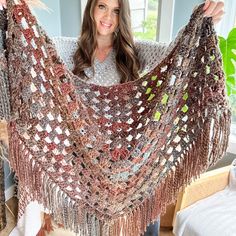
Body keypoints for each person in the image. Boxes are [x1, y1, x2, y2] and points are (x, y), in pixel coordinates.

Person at [0, 0, 225, 235]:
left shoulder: (136, 51)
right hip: (88, 162)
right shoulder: (69, 50)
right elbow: (34, 48)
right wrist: (14, 11)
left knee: (146, 222)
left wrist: (200, 23)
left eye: (116, 10)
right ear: (91, 10)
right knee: (96, 226)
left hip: (133, 159)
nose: (108, 16)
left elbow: (177, 51)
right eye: (102, 7)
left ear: (123, 16)